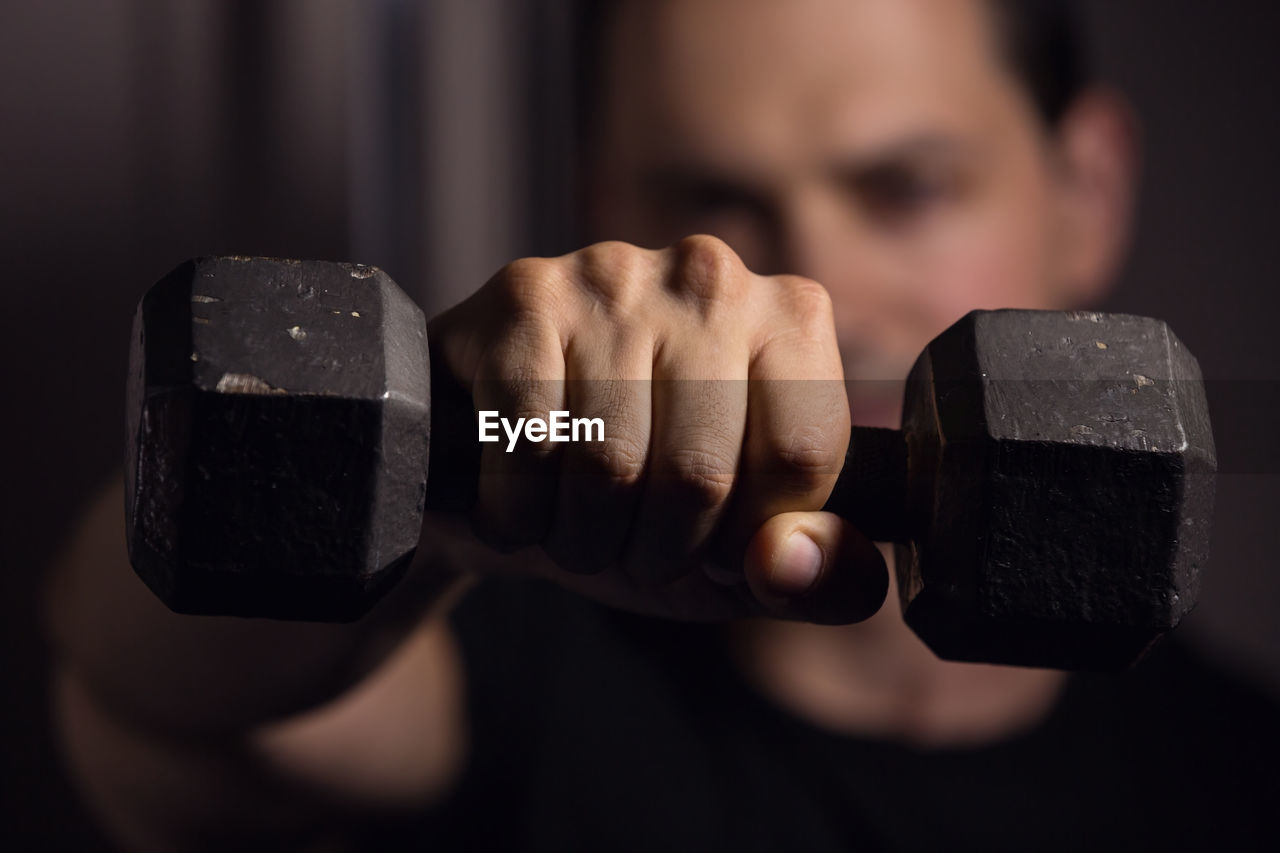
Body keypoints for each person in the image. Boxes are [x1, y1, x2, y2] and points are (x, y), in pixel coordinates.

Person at [46, 0, 1278, 850]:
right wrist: (458, 490)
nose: (818, 286)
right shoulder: (499, 675)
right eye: (709, 198)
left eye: (904, 189)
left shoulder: (1238, 784)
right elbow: (146, 711)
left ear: (1087, 194)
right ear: (602, 211)